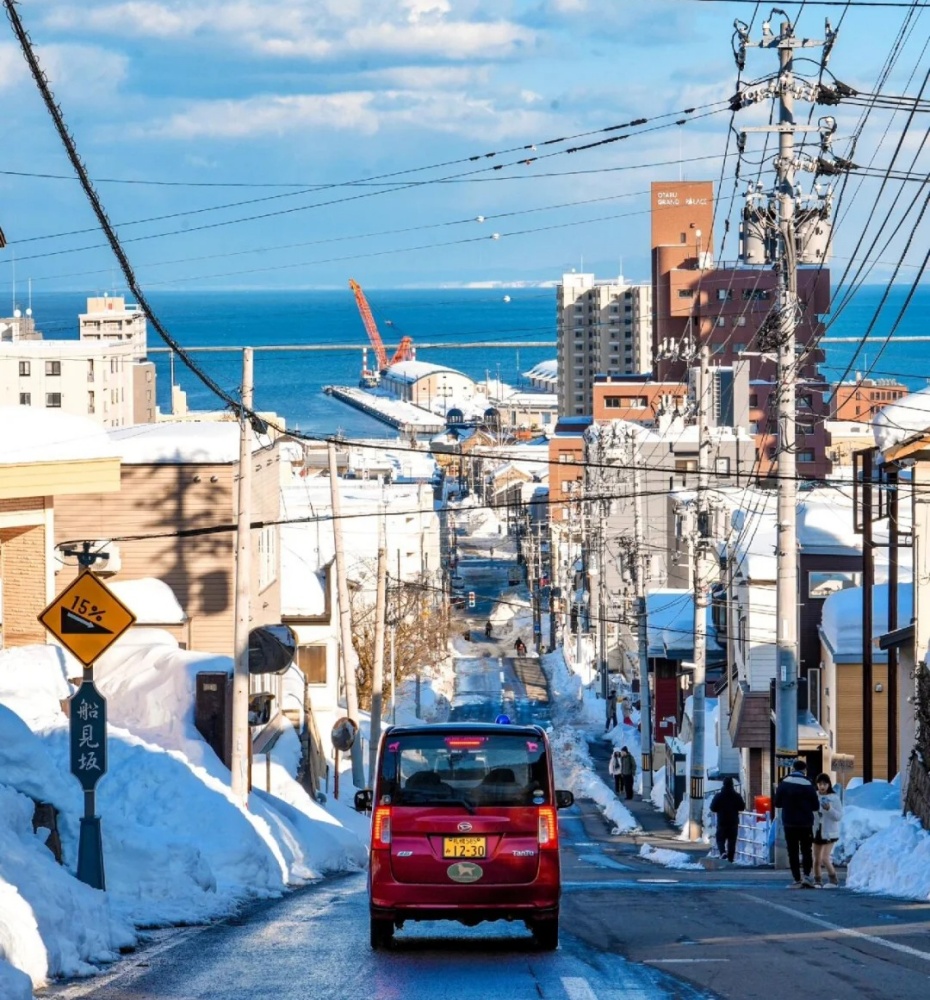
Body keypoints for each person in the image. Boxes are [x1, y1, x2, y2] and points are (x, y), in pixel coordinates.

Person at [773, 758, 820, 888]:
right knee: (806, 850)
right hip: (805, 823)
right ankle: (807, 876)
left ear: (793, 769)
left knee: (792, 851)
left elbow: (777, 803)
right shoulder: (809, 784)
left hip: (789, 822)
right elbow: (816, 806)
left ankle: (796, 878)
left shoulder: (784, 783)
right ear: (804, 770)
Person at [813, 773, 844, 887]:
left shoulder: (834, 798)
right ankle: (817, 880)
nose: (822, 786)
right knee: (816, 859)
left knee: (825, 858)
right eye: (820, 784)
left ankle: (833, 879)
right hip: (816, 830)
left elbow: (838, 816)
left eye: (824, 784)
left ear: (829, 784)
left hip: (829, 832)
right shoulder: (814, 796)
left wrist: (829, 809)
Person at [709, 776, 746, 863]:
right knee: (732, 840)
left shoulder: (719, 796)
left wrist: (720, 809)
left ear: (723, 784)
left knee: (720, 839)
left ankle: (722, 852)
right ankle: (730, 859)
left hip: (722, 821)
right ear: (732, 785)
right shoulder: (736, 796)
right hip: (733, 821)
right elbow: (742, 807)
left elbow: (713, 807)